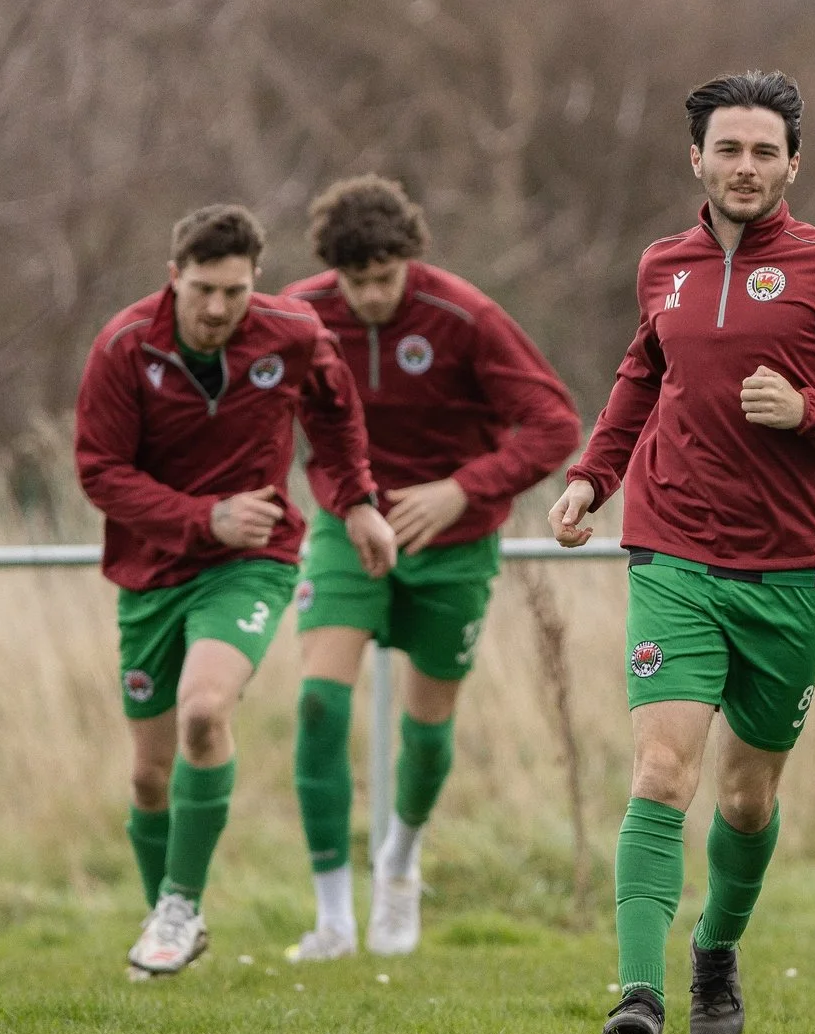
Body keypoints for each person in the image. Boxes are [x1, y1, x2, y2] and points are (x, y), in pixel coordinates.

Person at [549, 70, 815, 1034]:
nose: (744, 167)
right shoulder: (662, 265)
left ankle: (714, 949)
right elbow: (642, 374)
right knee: (660, 768)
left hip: (791, 567)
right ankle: (638, 995)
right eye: (728, 149)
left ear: (792, 163)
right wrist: (593, 478)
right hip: (671, 550)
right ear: (697, 159)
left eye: (764, 151)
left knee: (746, 795)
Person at [75, 203, 396, 980]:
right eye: (203, 291)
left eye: (234, 291)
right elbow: (100, 473)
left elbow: (336, 412)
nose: (218, 309)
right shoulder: (124, 347)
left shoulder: (290, 334)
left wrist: (355, 501)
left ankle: (179, 906)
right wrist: (203, 517)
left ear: (255, 281)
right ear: (173, 278)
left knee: (205, 710)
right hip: (153, 572)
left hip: (251, 562)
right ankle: (170, 921)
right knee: (149, 775)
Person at [279, 176, 580, 960]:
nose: (373, 296)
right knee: (317, 705)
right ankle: (334, 915)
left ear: (410, 261)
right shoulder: (299, 315)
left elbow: (554, 423)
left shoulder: (465, 316)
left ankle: (400, 866)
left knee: (428, 724)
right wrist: (347, 502)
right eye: (358, 281)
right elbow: (271, 418)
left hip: (454, 543)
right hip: (351, 530)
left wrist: (461, 490)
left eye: (386, 277)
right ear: (334, 273)